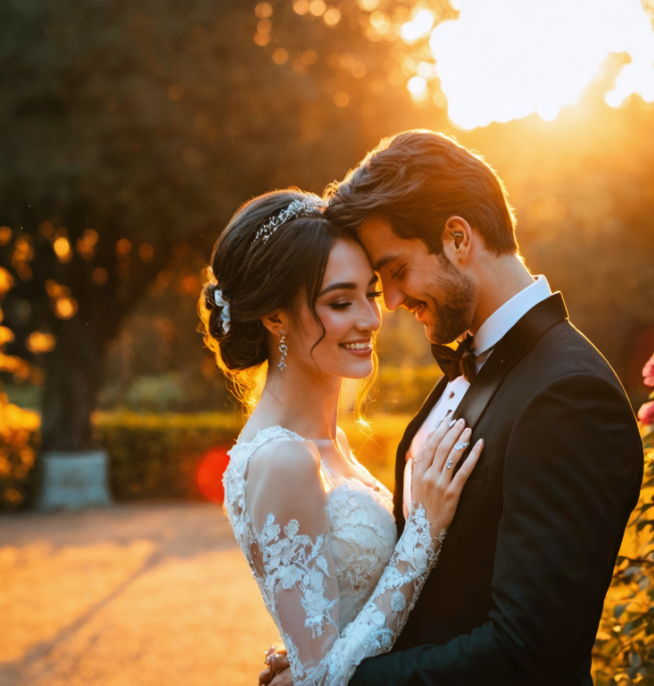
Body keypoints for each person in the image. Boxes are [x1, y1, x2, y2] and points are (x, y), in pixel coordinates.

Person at [263, 130, 644, 685]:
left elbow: (527, 649)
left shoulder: (569, 398)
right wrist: (326, 658)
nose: (389, 302)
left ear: (458, 238)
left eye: (395, 272)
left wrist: (342, 684)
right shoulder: (465, 372)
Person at [202, 188, 484, 686]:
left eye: (370, 294)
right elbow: (324, 679)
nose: (370, 319)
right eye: (340, 302)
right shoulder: (282, 458)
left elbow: (324, 645)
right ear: (274, 317)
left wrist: (303, 657)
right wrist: (425, 530)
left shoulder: (332, 447)